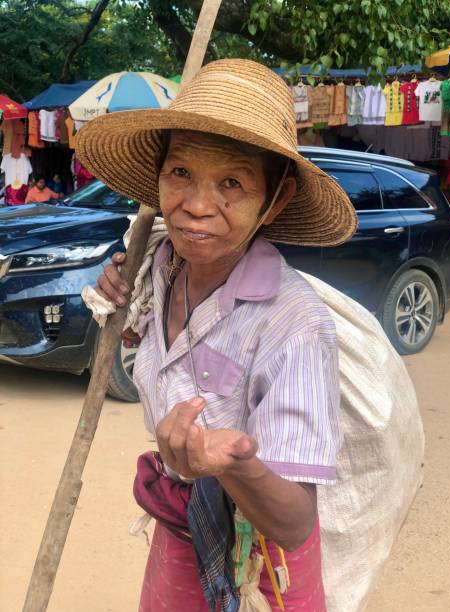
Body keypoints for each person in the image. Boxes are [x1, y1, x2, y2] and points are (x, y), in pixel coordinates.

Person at [77, 59, 357, 611]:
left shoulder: (295, 327)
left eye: (232, 182)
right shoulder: (155, 268)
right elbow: (144, 341)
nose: (197, 206)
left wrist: (235, 464)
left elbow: (295, 522)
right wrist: (119, 289)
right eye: (180, 173)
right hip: (181, 534)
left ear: (274, 201)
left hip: (264, 571)